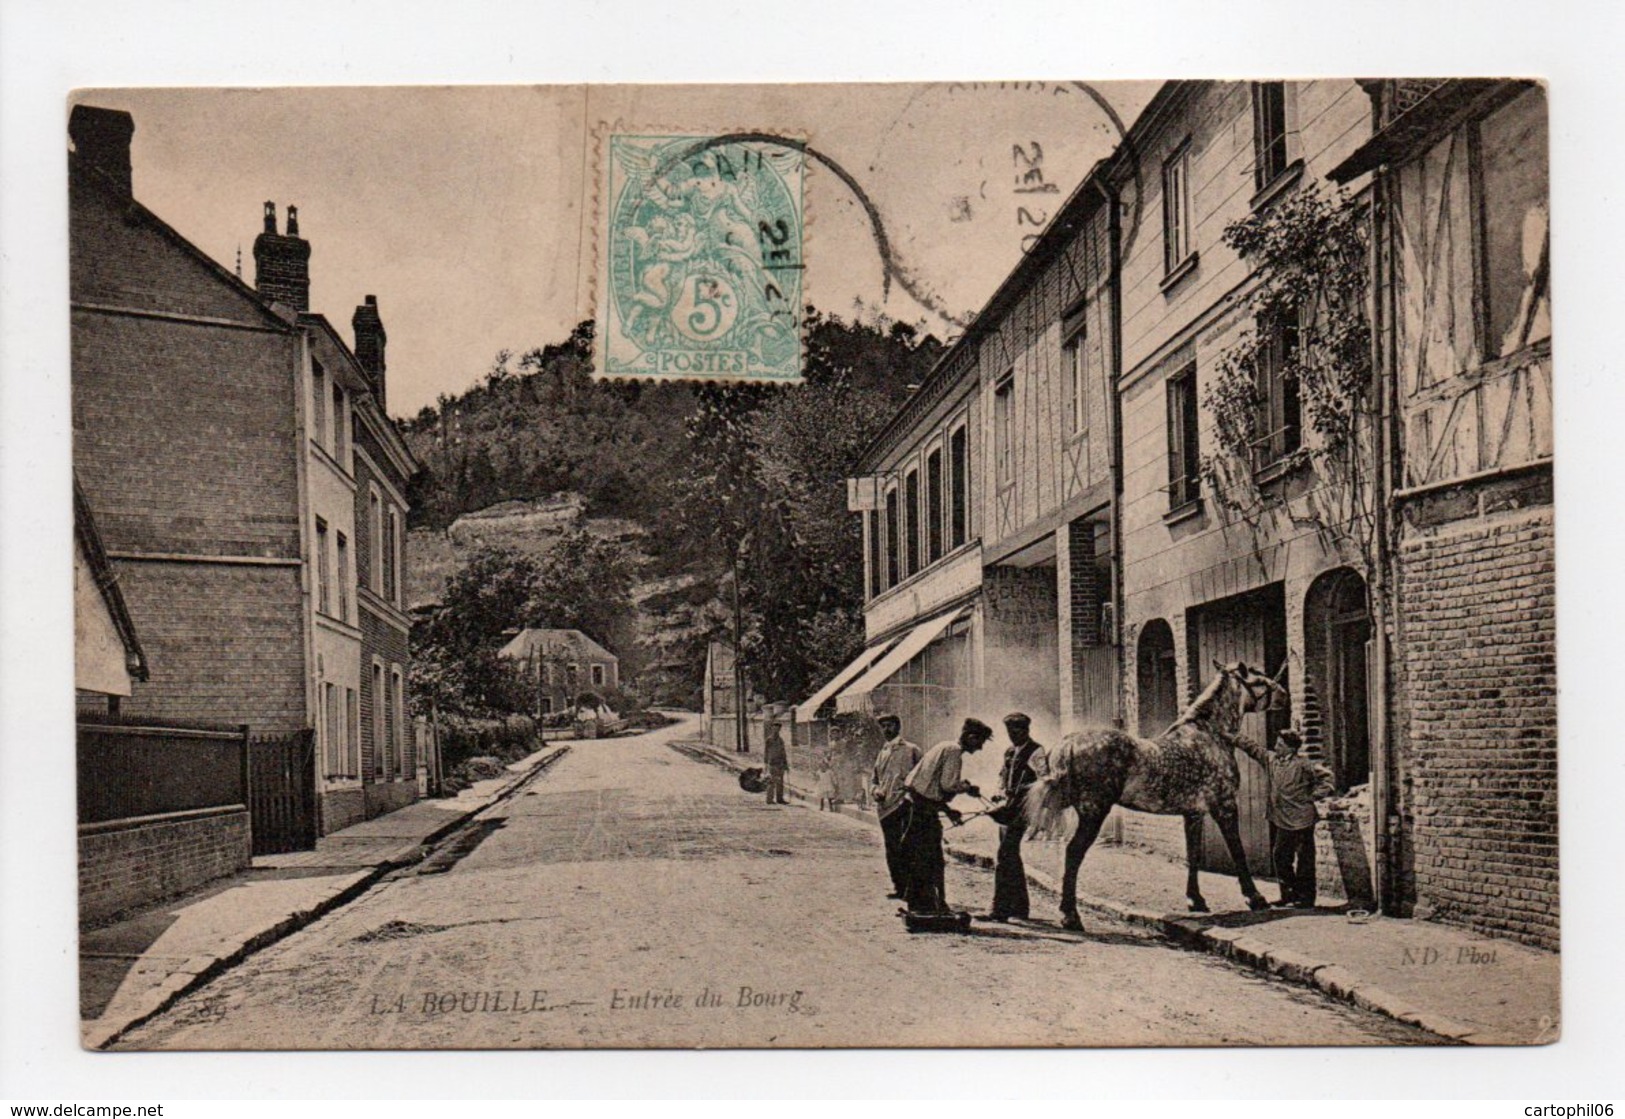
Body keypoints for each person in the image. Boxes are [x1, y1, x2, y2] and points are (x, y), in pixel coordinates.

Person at [897, 718, 992, 915]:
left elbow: (928, 785)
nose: (980, 747)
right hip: (921, 809)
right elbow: (948, 785)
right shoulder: (954, 752)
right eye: (980, 742)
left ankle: (924, 904)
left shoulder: (944, 746)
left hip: (915, 805)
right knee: (931, 859)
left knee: (922, 857)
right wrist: (967, 788)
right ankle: (930, 906)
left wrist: (948, 810)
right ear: (970, 737)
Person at [977, 712, 1049, 922]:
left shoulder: (1036, 751)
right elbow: (1002, 776)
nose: (1012, 736)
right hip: (1007, 807)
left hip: (1023, 809)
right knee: (1011, 855)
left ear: (1026, 730)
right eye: (1009, 732)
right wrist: (999, 793)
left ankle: (999, 910)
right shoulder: (1009, 752)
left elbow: (1044, 780)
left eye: (1017, 731)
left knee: (1004, 855)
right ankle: (1019, 908)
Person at [1265, 728, 1334, 908]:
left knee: (1304, 858)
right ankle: (1289, 894)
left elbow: (1327, 777)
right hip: (1283, 818)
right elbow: (1252, 748)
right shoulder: (1273, 760)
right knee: (1280, 856)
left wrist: (1314, 796)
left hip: (1303, 818)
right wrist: (1232, 736)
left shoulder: (1303, 764)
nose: (1275, 747)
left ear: (1290, 748)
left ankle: (1306, 898)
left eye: (1280, 745)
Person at [868, 713, 922, 900]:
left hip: (905, 805)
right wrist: (875, 790)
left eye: (890, 725)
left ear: (898, 727)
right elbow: (874, 779)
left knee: (907, 847)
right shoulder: (882, 752)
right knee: (891, 849)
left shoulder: (911, 750)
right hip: (885, 808)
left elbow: (922, 776)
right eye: (883, 726)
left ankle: (911, 889)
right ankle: (899, 887)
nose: (886, 730)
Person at [762, 717, 790, 805]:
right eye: (774, 727)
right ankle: (769, 799)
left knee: (780, 782)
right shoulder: (769, 740)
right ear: (772, 728)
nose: (776, 729)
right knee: (771, 781)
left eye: (778, 728)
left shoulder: (781, 740)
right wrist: (766, 763)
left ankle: (780, 798)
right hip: (772, 763)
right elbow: (766, 752)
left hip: (780, 763)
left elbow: (783, 752)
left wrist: (786, 764)